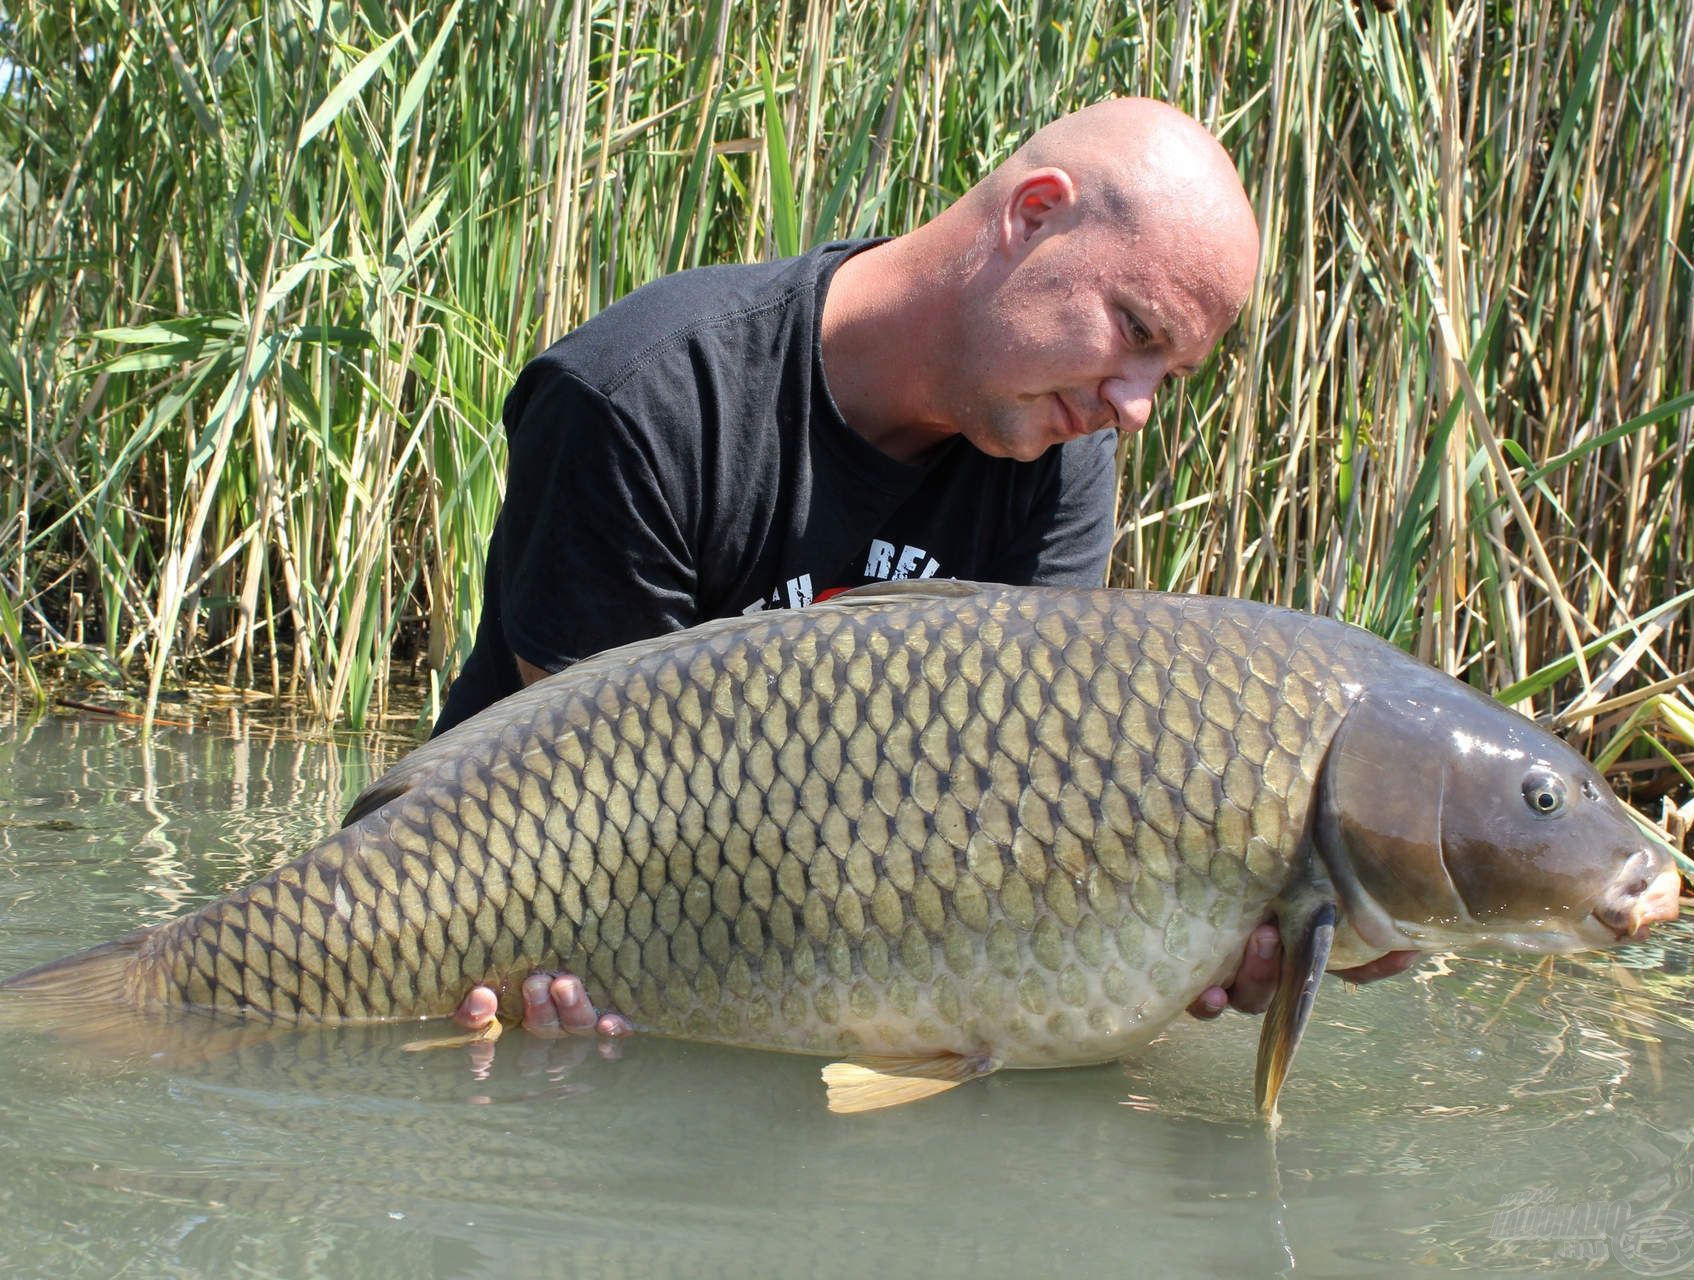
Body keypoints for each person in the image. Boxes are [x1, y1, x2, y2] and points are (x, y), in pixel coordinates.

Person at [422, 97, 1414, 1047]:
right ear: (1034, 217)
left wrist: (1176, 929)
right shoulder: (650, 396)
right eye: (1138, 332)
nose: (1136, 403)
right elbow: (587, 815)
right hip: (491, 928)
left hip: (819, 960)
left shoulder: (1059, 453)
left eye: (1171, 374)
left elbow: (1027, 808)